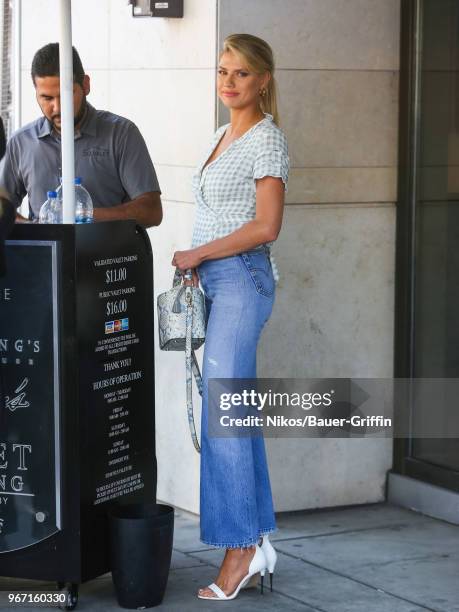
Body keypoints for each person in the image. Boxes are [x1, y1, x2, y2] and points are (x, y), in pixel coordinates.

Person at [172, 33, 289, 600]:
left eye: (240, 73)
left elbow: (266, 227)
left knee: (224, 417)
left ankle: (239, 551)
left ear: (263, 79)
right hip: (218, 281)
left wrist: (200, 254)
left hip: (242, 282)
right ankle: (257, 539)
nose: (229, 82)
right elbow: (221, 212)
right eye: (222, 71)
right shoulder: (223, 135)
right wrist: (199, 264)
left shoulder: (267, 141)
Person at [0, 43, 162, 227]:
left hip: (108, 254)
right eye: (47, 98)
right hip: (44, 255)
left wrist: (83, 215)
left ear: (86, 85)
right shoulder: (21, 143)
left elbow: (152, 211)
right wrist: (37, 230)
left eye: (65, 95)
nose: (58, 108)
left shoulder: (121, 134)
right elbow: (2, 209)